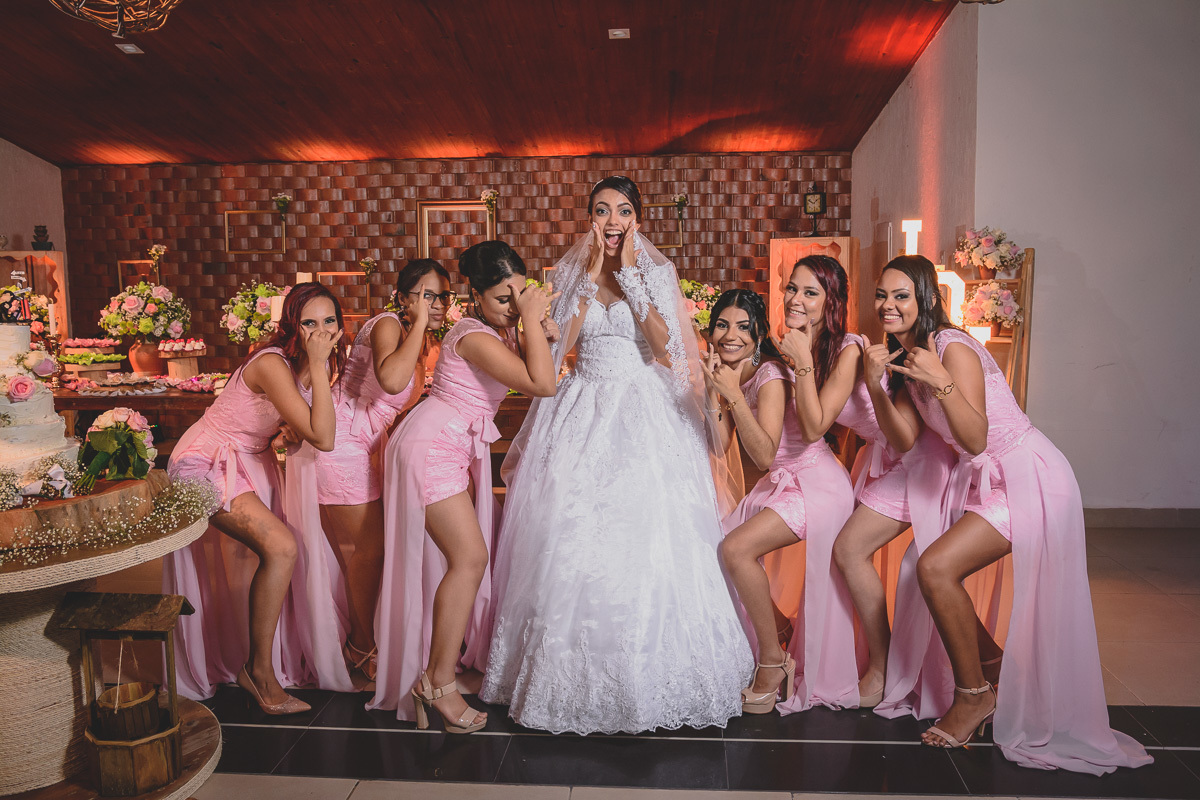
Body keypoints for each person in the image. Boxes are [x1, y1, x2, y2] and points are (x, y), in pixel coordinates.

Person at [481, 176, 753, 735]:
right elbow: (557, 349)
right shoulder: (569, 274)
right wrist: (582, 286)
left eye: (623, 210)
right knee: (567, 531)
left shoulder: (655, 272)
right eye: (602, 210)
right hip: (581, 403)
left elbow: (667, 349)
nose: (612, 220)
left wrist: (629, 275)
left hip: (643, 405)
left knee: (646, 532)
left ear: (637, 219)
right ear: (590, 218)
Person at [881, 255, 1151, 774]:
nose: (888, 305)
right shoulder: (910, 360)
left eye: (901, 295)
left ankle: (974, 695)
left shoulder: (950, 346)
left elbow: (976, 437)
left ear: (926, 299)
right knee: (922, 566)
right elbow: (907, 440)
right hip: (989, 479)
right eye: (881, 295)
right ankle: (994, 664)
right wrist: (877, 384)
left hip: (1028, 474)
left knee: (936, 567)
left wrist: (941, 382)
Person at [368, 241, 558, 733]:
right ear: (475, 296)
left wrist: (537, 326)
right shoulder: (473, 335)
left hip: (447, 446)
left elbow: (541, 366)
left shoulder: (499, 329)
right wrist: (532, 320)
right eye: (502, 298)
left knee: (468, 558)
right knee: (470, 559)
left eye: (519, 295)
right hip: (432, 446)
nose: (512, 306)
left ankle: (439, 675)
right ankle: (437, 682)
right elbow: (542, 384)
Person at [164, 282, 343, 712]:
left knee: (284, 550)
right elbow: (324, 437)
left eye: (329, 321)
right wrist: (320, 367)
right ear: (292, 327)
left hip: (251, 458)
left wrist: (288, 427)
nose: (321, 332)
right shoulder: (271, 364)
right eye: (309, 323)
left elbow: (302, 426)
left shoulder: (311, 366)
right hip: (206, 460)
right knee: (281, 547)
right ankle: (258, 672)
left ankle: (262, 661)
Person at [282, 260, 451, 689]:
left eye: (442, 296)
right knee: (369, 550)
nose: (436, 304)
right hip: (340, 443)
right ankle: (360, 644)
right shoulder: (388, 325)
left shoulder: (419, 337)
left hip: (366, 447)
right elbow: (392, 382)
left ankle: (360, 641)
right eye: (426, 295)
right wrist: (418, 323)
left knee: (365, 552)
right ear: (403, 299)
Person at [709, 258, 859, 715]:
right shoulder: (756, 359)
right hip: (782, 482)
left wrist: (733, 396)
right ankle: (780, 631)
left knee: (736, 550)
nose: (795, 299)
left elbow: (770, 452)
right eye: (792, 288)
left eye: (810, 292)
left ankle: (773, 662)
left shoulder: (780, 370)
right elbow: (720, 444)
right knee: (713, 548)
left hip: (816, 481)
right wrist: (715, 391)